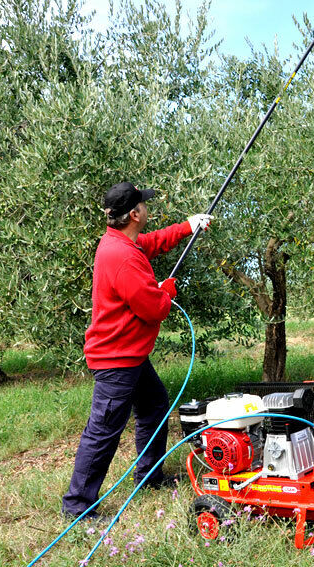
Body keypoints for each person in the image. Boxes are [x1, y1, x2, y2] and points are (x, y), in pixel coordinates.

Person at [61, 181, 213, 520]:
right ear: (134, 214)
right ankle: (77, 506)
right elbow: (153, 308)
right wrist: (167, 289)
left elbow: (151, 242)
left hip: (129, 355)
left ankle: (148, 476)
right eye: (143, 205)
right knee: (102, 433)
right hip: (117, 360)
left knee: (155, 404)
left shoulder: (120, 241)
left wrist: (188, 227)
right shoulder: (122, 257)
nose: (147, 208)